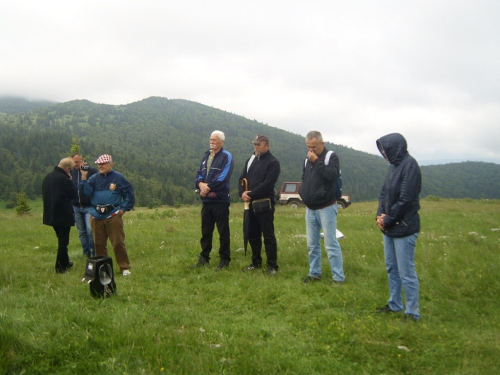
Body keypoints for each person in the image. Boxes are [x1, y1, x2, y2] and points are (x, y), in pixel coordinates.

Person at [375, 133, 422, 321]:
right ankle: (395, 304)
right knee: (392, 268)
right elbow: (384, 193)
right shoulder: (393, 166)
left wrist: (388, 219)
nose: (384, 153)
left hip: (405, 227)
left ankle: (412, 312)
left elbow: (406, 199)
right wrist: (380, 216)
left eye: (386, 149)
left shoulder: (410, 165)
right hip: (390, 227)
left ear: (395, 148)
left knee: (406, 272)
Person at [299, 131, 345, 283]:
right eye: (308, 147)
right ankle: (314, 274)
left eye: (314, 146)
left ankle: (338, 278)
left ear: (322, 144)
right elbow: (304, 178)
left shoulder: (331, 157)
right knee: (312, 244)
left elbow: (331, 175)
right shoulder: (307, 159)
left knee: (330, 244)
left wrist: (317, 160)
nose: (311, 150)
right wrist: (303, 192)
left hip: (327, 207)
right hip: (310, 208)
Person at [79, 154, 135, 276]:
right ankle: (103, 268)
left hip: (113, 215)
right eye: (99, 164)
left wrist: (123, 209)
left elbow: (129, 195)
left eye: (103, 163)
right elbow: (86, 193)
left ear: (111, 164)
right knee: (98, 244)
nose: (100, 166)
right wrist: (83, 177)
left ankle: (124, 267)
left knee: (118, 242)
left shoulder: (119, 178)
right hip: (96, 216)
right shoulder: (94, 178)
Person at [191, 130, 234, 271]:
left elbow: (223, 178)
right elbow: (199, 173)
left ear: (222, 142)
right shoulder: (206, 156)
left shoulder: (226, 156)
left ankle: (224, 259)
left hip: (220, 201)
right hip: (207, 202)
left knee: (223, 231)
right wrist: (200, 184)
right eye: (210, 139)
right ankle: (204, 258)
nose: (212, 142)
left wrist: (207, 187)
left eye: (215, 140)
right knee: (206, 231)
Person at [238, 135, 281, 276]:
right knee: (252, 234)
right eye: (254, 144)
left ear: (267, 145)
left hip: (264, 204)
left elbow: (268, 183)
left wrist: (251, 193)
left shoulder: (273, 162)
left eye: (259, 144)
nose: (256, 147)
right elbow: (241, 179)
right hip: (249, 204)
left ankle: (272, 266)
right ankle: (256, 262)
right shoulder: (250, 160)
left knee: (268, 235)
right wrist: (242, 193)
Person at [42, 157, 78, 273]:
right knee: (63, 242)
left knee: (61, 239)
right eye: (71, 169)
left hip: (50, 214)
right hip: (63, 215)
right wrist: (70, 180)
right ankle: (60, 267)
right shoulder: (64, 179)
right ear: (67, 168)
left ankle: (66, 262)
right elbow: (73, 194)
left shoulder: (48, 177)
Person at [70, 153, 98, 258]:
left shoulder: (91, 171)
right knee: (81, 231)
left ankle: (93, 251)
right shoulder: (71, 173)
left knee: (90, 230)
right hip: (76, 206)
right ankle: (85, 252)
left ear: (82, 160)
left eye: (77, 162)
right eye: (73, 162)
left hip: (89, 206)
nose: (75, 164)